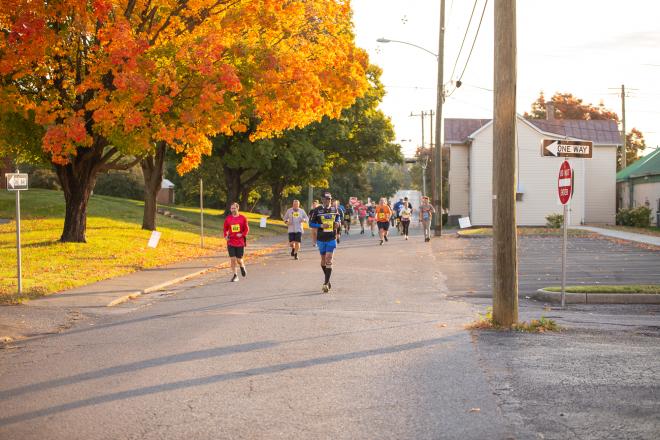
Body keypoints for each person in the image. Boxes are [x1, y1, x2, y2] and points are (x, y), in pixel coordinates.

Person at [309, 192, 341, 293]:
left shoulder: (334, 209)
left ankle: (325, 283)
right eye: (326, 199)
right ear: (322, 200)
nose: (328, 201)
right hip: (321, 238)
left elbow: (338, 219)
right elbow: (310, 223)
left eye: (329, 199)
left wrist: (337, 223)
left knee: (328, 258)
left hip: (331, 237)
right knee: (323, 260)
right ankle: (328, 278)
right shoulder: (317, 210)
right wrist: (320, 226)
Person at [223, 202, 249, 282]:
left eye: (234, 208)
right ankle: (235, 275)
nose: (232, 210)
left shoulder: (243, 218)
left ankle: (242, 266)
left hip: (240, 242)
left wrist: (242, 234)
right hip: (231, 242)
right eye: (231, 208)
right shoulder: (228, 218)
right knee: (233, 259)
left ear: (238, 208)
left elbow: (246, 229)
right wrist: (225, 236)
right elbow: (225, 229)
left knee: (239, 260)